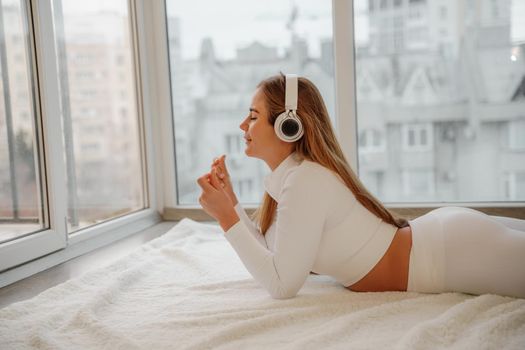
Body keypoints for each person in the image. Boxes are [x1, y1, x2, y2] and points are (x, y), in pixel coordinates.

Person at [196, 73, 525, 299]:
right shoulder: (293, 179)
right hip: (442, 244)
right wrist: (232, 204)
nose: (243, 125)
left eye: (253, 116)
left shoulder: (305, 180)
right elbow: (273, 254)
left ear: (288, 125)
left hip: (447, 254)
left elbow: (282, 285)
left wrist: (228, 219)